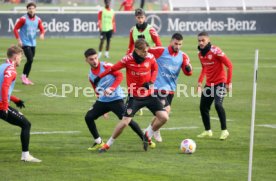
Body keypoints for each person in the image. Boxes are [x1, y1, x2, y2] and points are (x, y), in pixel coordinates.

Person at [95, 39, 169, 152]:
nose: (146, 53)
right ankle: (107, 145)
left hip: (149, 95)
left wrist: (151, 82)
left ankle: (148, 134)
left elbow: (155, 69)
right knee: (125, 122)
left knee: (164, 117)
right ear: (137, 50)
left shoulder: (150, 57)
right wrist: (100, 77)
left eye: (147, 50)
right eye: (144, 51)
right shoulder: (127, 60)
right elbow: (112, 68)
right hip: (134, 97)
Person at [84, 48, 155, 151]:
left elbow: (120, 75)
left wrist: (112, 88)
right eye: (91, 59)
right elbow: (96, 89)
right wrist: (100, 104)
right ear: (86, 60)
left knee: (127, 121)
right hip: (103, 101)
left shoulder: (106, 66)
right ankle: (99, 142)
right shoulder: (90, 75)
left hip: (116, 99)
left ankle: (145, 139)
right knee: (88, 117)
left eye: (96, 58)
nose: (94, 61)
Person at [145, 33, 193, 142]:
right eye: (175, 43)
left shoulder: (183, 56)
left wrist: (188, 69)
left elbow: (188, 73)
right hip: (158, 87)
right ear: (171, 41)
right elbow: (146, 51)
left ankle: (152, 130)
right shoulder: (160, 51)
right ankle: (148, 134)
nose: (177, 46)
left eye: (180, 44)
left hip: (170, 90)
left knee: (161, 114)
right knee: (165, 111)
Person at [0, 45, 41, 162]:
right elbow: (4, 86)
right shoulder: (11, 69)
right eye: (21, 57)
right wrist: (4, 106)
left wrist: (14, 99)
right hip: (0, 105)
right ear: (16, 56)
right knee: (26, 124)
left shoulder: (2, 66)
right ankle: (25, 155)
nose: (21, 60)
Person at [196, 31, 233, 140]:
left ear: (208, 40)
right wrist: (199, 82)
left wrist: (228, 83)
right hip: (209, 84)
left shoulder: (216, 51)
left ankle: (224, 130)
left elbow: (229, 65)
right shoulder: (200, 54)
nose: (201, 43)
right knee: (203, 107)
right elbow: (204, 68)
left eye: (203, 40)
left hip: (220, 83)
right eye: (199, 41)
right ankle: (208, 131)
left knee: (218, 105)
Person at [127, 8, 162, 115]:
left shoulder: (151, 30)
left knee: (149, 82)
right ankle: (137, 103)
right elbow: (131, 45)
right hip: (137, 60)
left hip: (149, 61)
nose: (140, 19)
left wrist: (152, 55)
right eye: (138, 17)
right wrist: (127, 56)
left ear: (145, 17)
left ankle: (156, 103)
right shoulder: (133, 30)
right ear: (135, 18)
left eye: (142, 17)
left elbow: (159, 45)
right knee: (135, 80)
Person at [13, 2, 45, 85]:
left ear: (35, 9)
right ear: (27, 9)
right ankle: (23, 77)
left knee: (30, 61)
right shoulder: (23, 19)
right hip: (24, 42)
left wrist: (42, 34)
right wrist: (19, 40)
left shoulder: (38, 19)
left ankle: (25, 77)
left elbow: (42, 29)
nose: (31, 10)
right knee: (30, 59)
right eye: (29, 8)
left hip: (33, 43)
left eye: (33, 8)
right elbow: (15, 29)